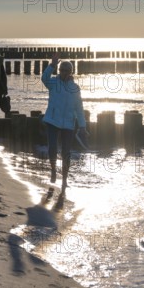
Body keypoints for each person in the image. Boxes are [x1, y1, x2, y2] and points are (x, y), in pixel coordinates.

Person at [41, 52, 88, 190]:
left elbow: (79, 108)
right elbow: (44, 78)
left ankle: (65, 179)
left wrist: (83, 126)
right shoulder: (53, 82)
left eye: (66, 70)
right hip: (52, 120)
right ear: (59, 70)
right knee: (52, 148)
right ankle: (54, 170)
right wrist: (52, 65)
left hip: (68, 123)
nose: (63, 73)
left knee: (66, 152)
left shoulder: (75, 88)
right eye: (61, 70)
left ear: (71, 72)